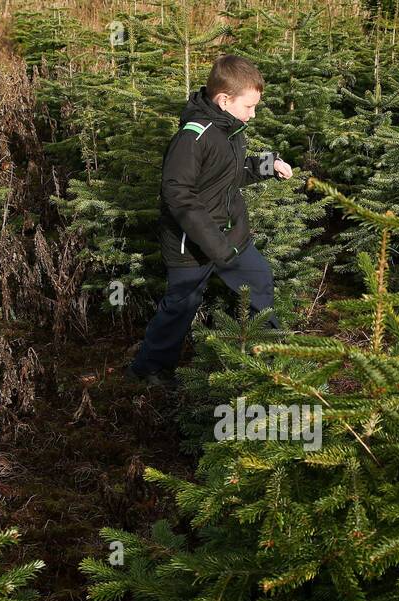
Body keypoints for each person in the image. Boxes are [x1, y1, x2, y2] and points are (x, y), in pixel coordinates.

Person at [126, 54, 293, 387]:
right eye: (250, 107)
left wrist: (267, 165)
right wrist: (214, 244)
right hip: (191, 245)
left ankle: (267, 360)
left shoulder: (231, 128)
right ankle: (149, 369)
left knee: (259, 281)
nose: (253, 114)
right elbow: (179, 196)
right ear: (224, 99)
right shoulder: (193, 137)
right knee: (181, 304)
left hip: (231, 237)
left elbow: (233, 172)